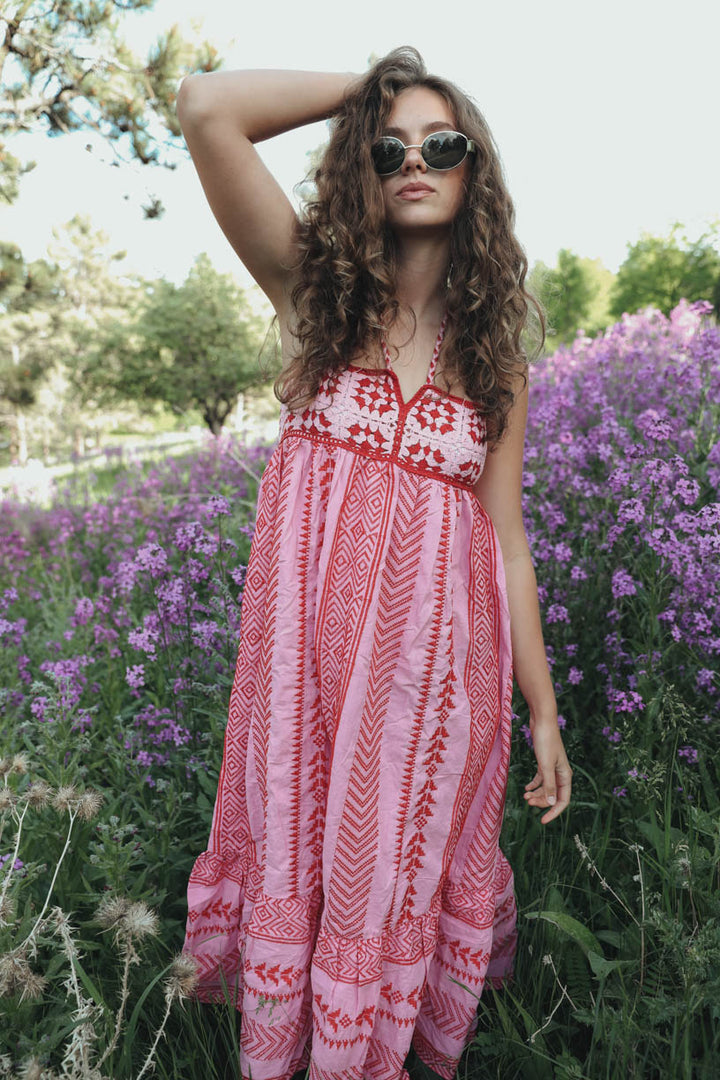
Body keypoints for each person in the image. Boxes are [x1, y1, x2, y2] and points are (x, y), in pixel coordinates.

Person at [178, 47, 572, 1080]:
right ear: (362, 158)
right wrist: (376, 86)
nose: (415, 159)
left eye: (442, 145)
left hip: (435, 692)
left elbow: (508, 541)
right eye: (389, 146)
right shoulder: (316, 298)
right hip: (303, 688)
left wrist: (542, 711)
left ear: (474, 170)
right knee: (305, 871)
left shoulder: (495, 366)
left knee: (388, 890)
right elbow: (208, 106)